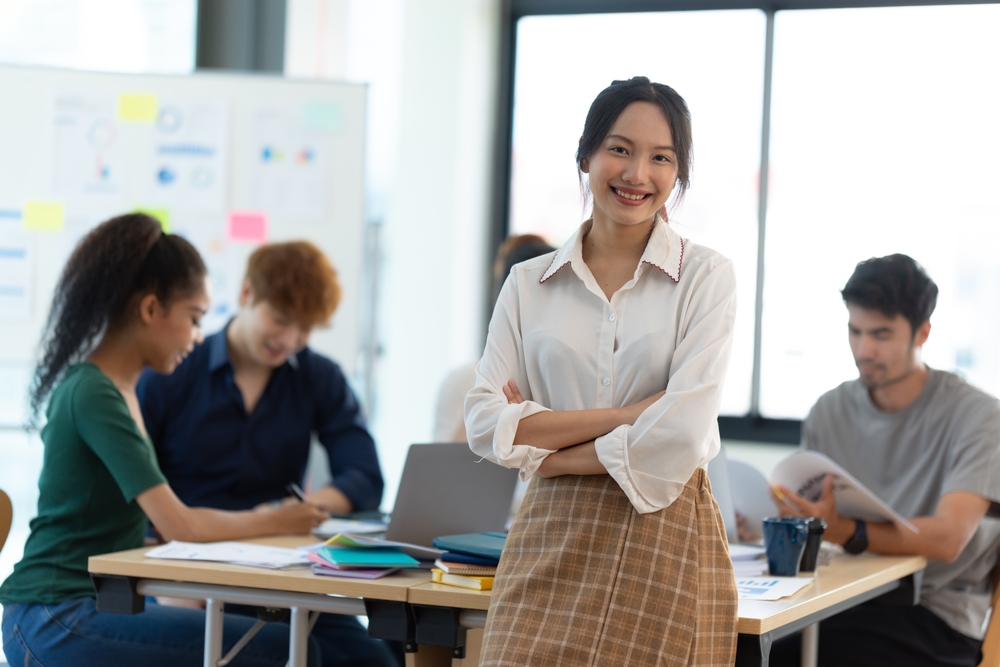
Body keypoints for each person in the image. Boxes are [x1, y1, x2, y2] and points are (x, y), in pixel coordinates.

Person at [465, 76, 739, 666]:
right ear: (586, 156)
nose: (636, 173)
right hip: (549, 531)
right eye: (619, 149)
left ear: (678, 174)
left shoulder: (706, 277)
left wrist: (546, 448)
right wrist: (625, 417)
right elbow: (487, 424)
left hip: (662, 529)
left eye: (660, 158)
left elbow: (681, 435)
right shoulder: (527, 283)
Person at [0, 213, 329, 667]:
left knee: (280, 637)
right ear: (151, 309)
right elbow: (182, 525)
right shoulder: (93, 391)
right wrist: (279, 518)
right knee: (284, 646)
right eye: (194, 318)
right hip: (54, 615)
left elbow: (143, 529)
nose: (198, 337)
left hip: (92, 603)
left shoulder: (122, 390)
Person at [136, 241, 396, 667]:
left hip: (279, 575)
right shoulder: (173, 368)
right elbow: (133, 487)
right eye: (279, 320)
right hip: (185, 568)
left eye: (305, 329)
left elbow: (365, 476)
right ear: (245, 295)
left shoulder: (319, 377)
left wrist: (303, 509)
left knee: (378, 660)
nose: (289, 340)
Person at [768, 254, 1000, 667]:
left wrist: (849, 530)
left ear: (922, 332)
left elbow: (949, 538)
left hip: (934, 616)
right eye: (854, 332)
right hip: (840, 601)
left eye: (881, 334)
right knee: (739, 648)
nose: (864, 349)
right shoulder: (829, 410)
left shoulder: (979, 416)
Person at [432, 233, 555, 443]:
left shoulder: (565, 382)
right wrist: (486, 410)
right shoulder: (465, 381)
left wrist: (532, 425)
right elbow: (447, 468)